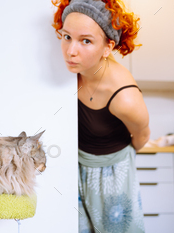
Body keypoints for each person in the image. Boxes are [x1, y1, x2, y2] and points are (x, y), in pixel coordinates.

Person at [51, 0, 151, 232]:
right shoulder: (73, 71)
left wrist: (110, 159)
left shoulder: (124, 97)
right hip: (76, 166)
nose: (71, 51)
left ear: (107, 47)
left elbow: (142, 137)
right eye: (67, 37)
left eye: (86, 41)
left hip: (113, 172)